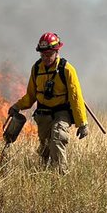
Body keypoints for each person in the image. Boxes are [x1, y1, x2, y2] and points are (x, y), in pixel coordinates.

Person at [7, 32, 89, 171]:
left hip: (61, 111)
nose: (46, 57)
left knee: (57, 139)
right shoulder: (37, 68)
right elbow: (31, 95)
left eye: (49, 54)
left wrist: (82, 123)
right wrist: (17, 106)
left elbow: (76, 98)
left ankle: (61, 175)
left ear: (57, 52)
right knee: (45, 146)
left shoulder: (67, 70)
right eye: (43, 54)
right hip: (43, 112)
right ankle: (45, 173)